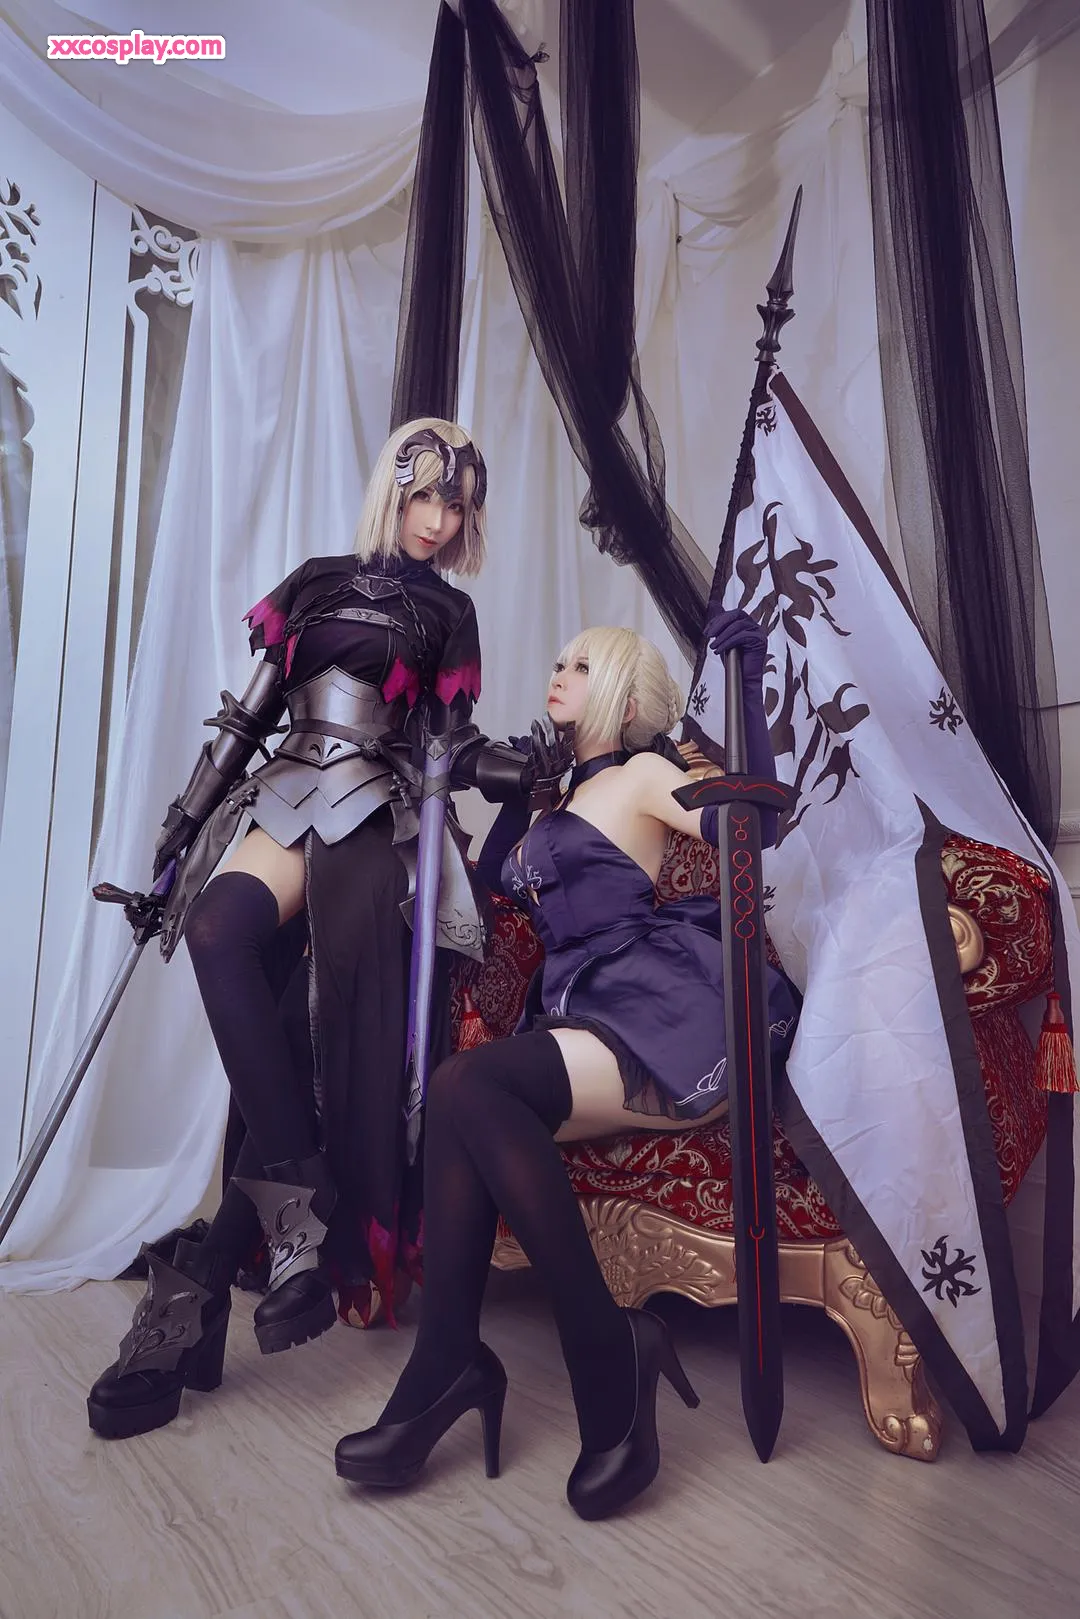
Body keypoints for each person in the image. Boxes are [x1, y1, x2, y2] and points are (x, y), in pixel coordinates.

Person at [87, 419, 541, 1441]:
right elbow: (246, 721)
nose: (438, 519)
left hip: (378, 821)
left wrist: (520, 766)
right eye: (424, 495)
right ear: (394, 490)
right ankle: (299, 1188)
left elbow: (448, 746)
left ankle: (190, 1313)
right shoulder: (315, 582)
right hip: (285, 792)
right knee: (217, 932)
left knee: (296, 1039)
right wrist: (178, 835)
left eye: (456, 503)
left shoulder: (449, 612)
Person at [334, 611, 798, 1520]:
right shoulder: (552, 801)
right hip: (578, 1013)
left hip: (658, 1012)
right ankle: (452, 1360)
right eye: (558, 661)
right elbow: (486, 894)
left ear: (619, 693)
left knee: (469, 1084)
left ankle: (590, 1351)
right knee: (463, 1097)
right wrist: (521, 786)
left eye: (580, 666)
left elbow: (754, 830)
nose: (558, 673)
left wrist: (745, 683)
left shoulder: (643, 776)